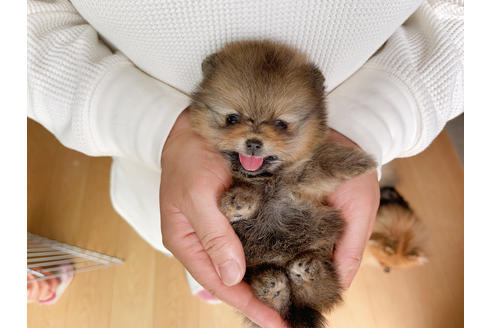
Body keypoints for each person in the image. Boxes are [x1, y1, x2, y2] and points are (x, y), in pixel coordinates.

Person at [27, 0, 463, 327]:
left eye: (279, 125)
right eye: (234, 120)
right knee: (192, 244)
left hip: (301, 212)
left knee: (278, 272)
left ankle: (251, 284)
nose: (254, 139)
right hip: (153, 180)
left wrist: (377, 121)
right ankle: (215, 280)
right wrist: (152, 127)